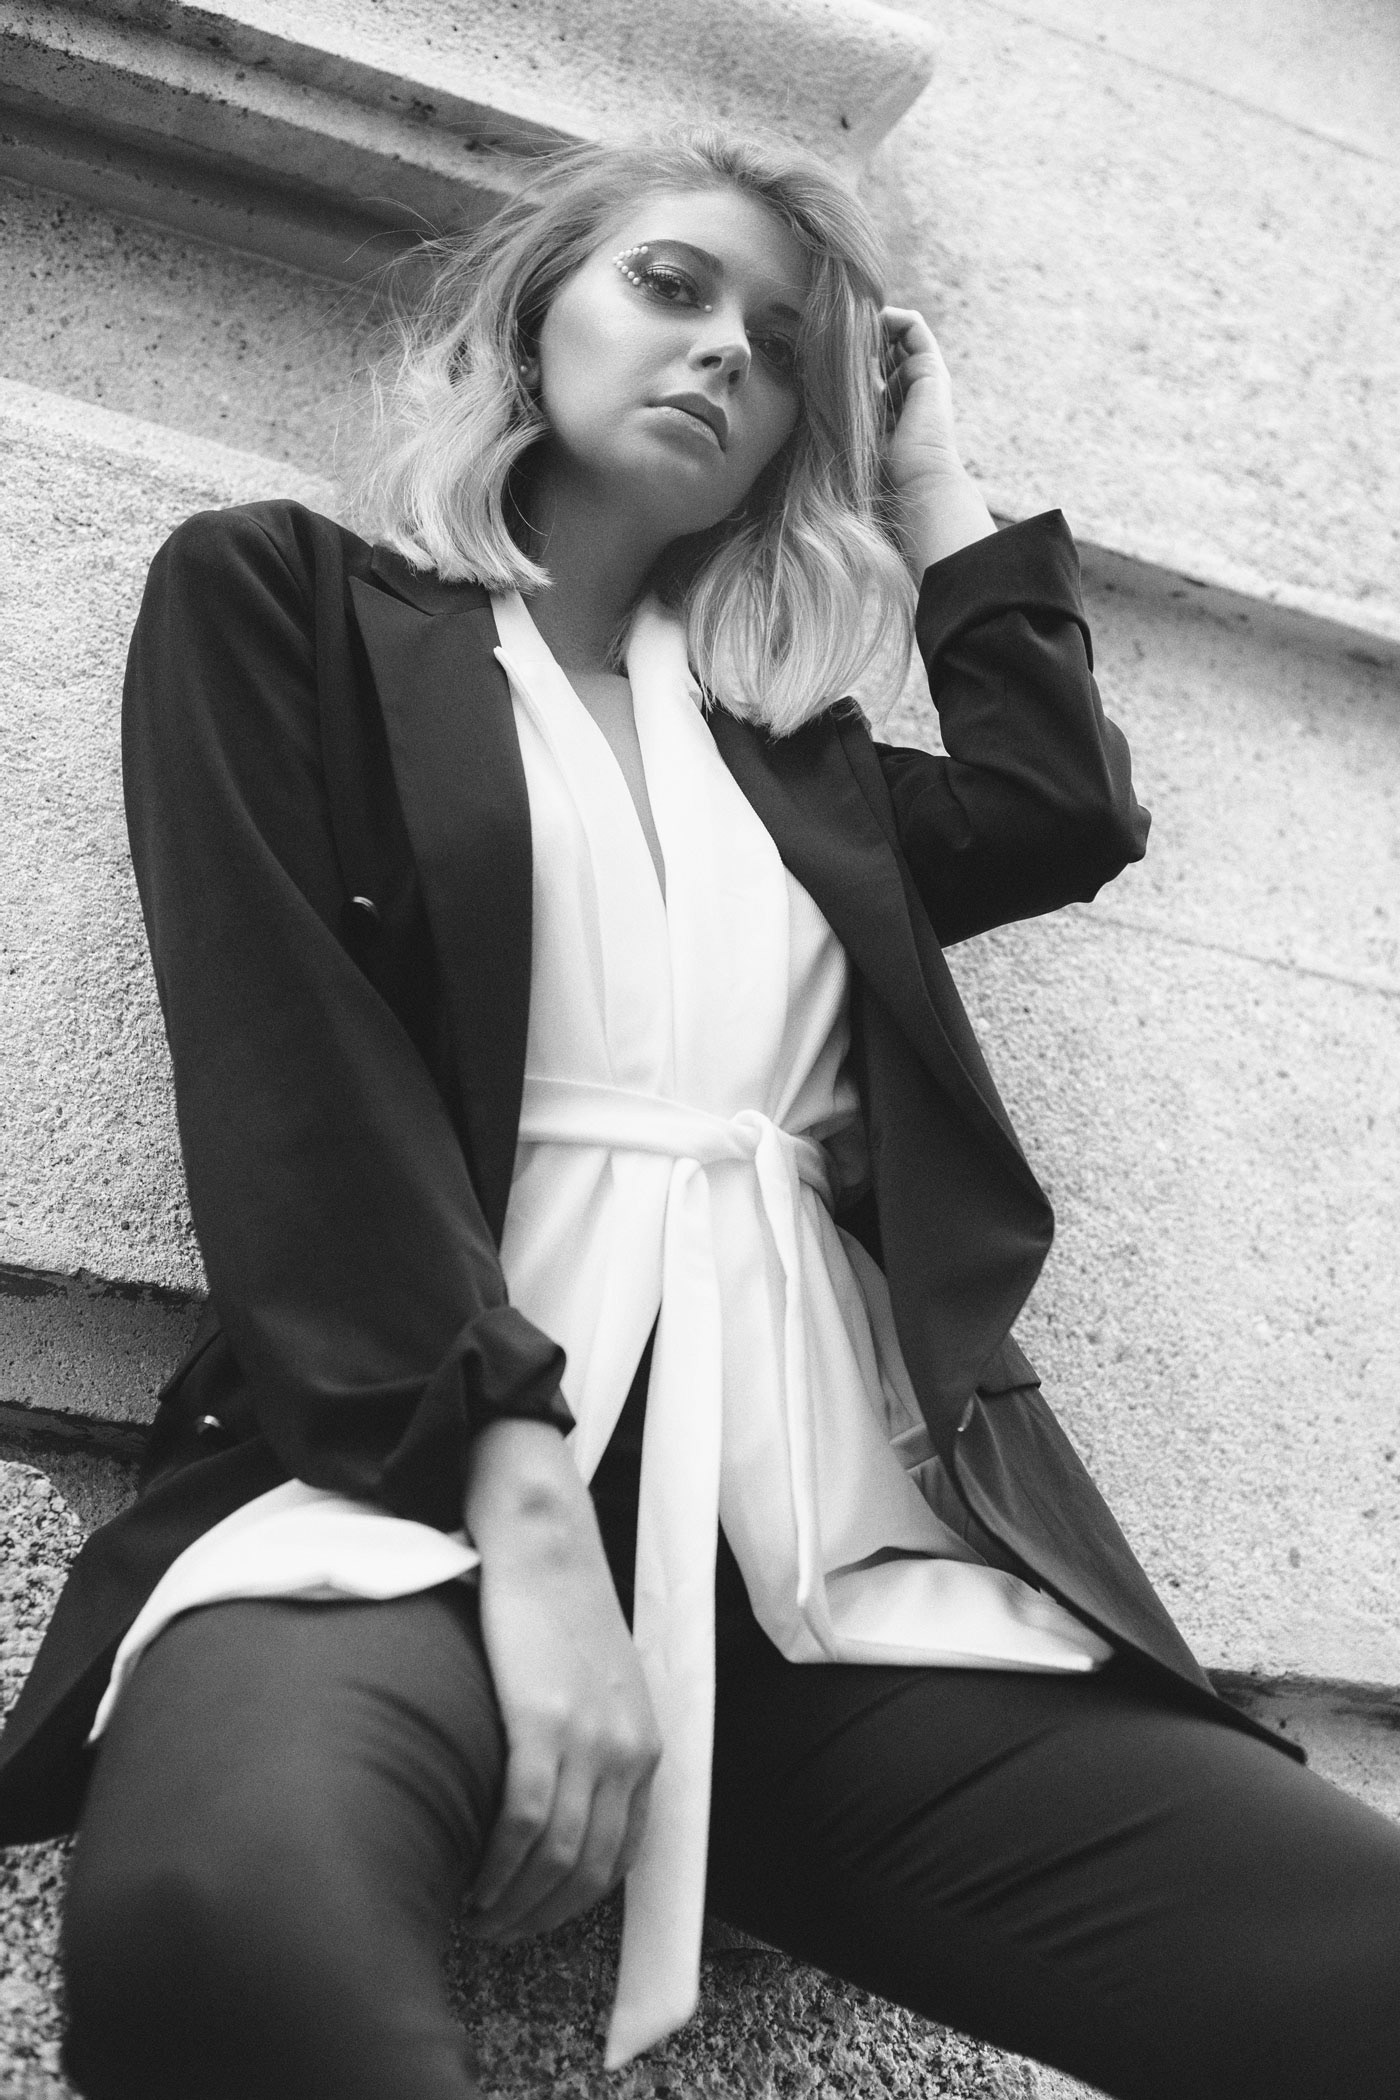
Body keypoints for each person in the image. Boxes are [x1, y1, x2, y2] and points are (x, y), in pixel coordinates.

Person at [1, 131, 1397, 2100]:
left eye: (781, 345)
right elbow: (295, 1087)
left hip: (825, 1584)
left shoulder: (799, 778)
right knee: (221, 1916)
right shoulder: (286, 602)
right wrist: (532, 1539)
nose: (726, 349)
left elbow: (1060, 806)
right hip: (407, 1499)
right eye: (671, 285)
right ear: (534, 315)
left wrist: (927, 481)